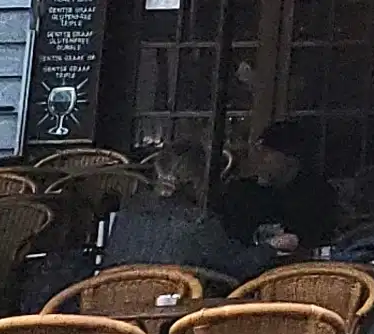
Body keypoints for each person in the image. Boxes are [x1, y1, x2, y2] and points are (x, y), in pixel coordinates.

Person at [216, 120, 341, 263]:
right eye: (257, 151)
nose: (258, 159)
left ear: (290, 158)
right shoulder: (240, 192)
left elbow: (319, 243)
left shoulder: (318, 196)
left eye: (266, 153)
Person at [101, 147, 226, 279]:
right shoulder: (200, 223)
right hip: (176, 291)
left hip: (112, 290)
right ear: (198, 183)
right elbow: (232, 266)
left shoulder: (127, 215)